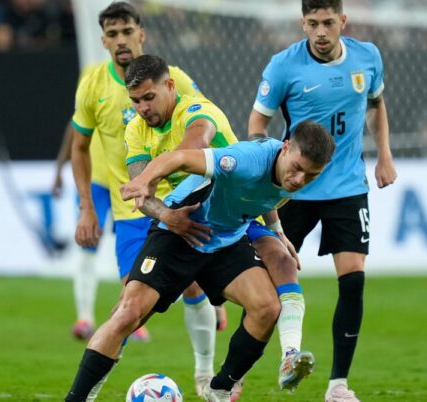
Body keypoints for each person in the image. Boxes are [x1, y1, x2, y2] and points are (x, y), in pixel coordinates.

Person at [64, 120, 335, 402]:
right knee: (128, 314)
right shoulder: (243, 160)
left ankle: (219, 389)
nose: (300, 180)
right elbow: (178, 158)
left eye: (310, 176)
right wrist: (143, 182)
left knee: (267, 308)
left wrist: (278, 232)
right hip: (182, 229)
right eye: (298, 169)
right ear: (286, 147)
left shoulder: (293, 175)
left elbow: (265, 196)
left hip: (226, 240)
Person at [124, 54, 316, 395]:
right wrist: (164, 212)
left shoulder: (196, 112)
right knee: (170, 295)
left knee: (284, 261)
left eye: (148, 98)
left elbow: (257, 190)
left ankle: (287, 354)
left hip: (234, 208)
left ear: (168, 86)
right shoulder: (136, 131)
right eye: (136, 101)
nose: (142, 106)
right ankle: (205, 368)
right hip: (189, 211)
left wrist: (278, 231)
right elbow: (145, 192)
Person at [248, 1, 397, 401]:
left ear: (342, 22)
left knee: (353, 282)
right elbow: (256, 124)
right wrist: (274, 169)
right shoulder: (283, 66)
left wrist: (384, 154)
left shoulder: (368, 57)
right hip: (294, 191)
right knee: (262, 287)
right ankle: (238, 375)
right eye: (312, 23)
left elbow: (377, 105)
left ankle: (338, 385)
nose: (320, 31)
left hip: (348, 187)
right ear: (302, 23)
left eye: (328, 22)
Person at [67, 0, 222, 376]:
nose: (121, 40)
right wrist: (87, 206)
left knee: (191, 289)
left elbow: (204, 127)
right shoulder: (93, 85)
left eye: (127, 31)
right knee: (130, 308)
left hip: (180, 201)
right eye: (112, 34)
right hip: (132, 214)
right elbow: (79, 147)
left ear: (142, 34)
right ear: (103, 41)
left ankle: (206, 377)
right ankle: (88, 387)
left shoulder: (175, 79)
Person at [51, 120, 112, 341]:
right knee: (88, 244)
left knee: (135, 249)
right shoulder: (90, 83)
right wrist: (59, 167)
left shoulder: (141, 87)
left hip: (130, 175)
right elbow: (76, 125)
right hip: (94, 176)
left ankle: (134, 319)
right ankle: (85, 318)